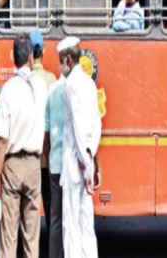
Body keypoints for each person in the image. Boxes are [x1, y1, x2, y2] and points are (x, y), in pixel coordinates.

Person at [0, 35, 48, 258]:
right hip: (34, 165)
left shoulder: (9, 89)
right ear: (32, 58)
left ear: (13, 56)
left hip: (13, 166)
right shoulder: (41, 86)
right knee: (31, 235)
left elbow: (2, 140)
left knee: (8, 234)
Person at [56, 37, 102, 258]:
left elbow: (78, 125)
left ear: (68, 59)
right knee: (86, 224)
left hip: (75, 165)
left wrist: (84, 162)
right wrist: (91, 161)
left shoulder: (71, 85)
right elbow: (96, 123)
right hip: (86, 162)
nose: (60, 66)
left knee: (71, 225)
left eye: (60, 61)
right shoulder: (89, 83)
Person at [28, 29, 57, 241]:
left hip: (30, 155)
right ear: (43, 52)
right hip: (48, 154)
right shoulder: (51, 79)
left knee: (29, 209)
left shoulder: (26, 80)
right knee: (50, 204)